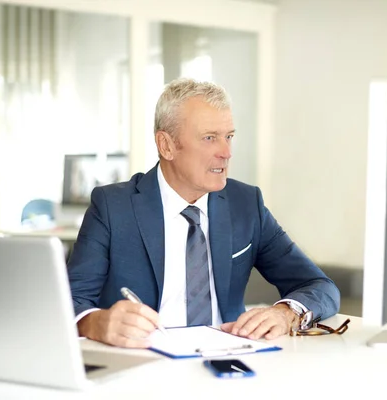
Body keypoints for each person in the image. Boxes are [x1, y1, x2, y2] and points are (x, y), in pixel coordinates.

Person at [68, 78, 340, 348]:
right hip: (143, 363)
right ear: (167, 145)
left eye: (229, 137)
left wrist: (286, 313)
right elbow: (69, 300)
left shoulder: (245, 204)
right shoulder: (113, 206)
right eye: (209, 138)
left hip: (230, 362)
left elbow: (320, 286)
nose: (226, 152)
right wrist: (97, 322)